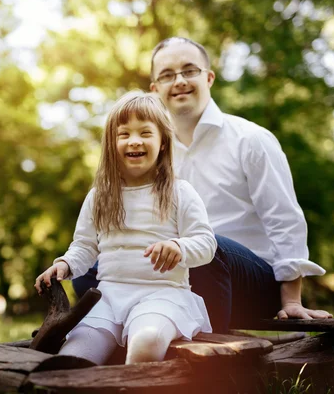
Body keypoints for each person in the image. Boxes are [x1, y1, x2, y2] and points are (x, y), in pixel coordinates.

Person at [72, 37, 332, 333]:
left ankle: (205, 349)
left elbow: (284, 219)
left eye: (189, 70)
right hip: (170, 279)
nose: (179, 81)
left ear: (209, 77)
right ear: (155, 89)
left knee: (206, 245)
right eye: (167, 75)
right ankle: (128, 325)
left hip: (247, 282)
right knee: (90, 270)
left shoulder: (251, 139)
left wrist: (291, 300)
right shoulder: (151, 152)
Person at [34, 91, 216, 365]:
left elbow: (206, 243)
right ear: (111, 143)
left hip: (163, 296)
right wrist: (65, 265)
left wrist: (179, 246)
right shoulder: (99, 196)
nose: (134, 141)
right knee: (75, 355)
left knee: (148, 340)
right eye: (124, 134)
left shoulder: (180, 191)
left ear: (163, 143)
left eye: (145, 132)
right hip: (107, 299)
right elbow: (84, 246)